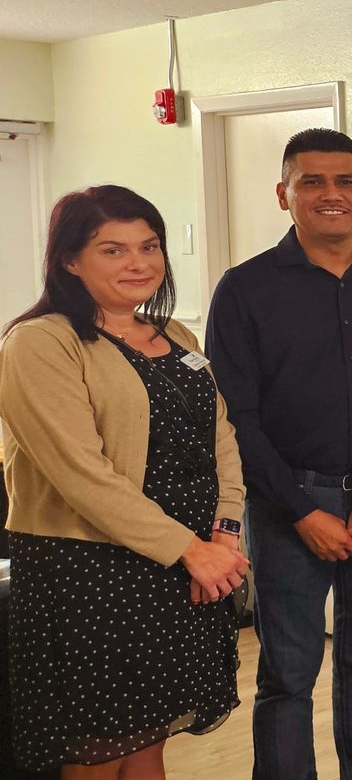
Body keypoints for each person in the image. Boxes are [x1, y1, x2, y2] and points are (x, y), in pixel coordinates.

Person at [0, 185, 250, 778]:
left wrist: (226, 535)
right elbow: (81, 476)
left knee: (148, 737)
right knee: (96, 750)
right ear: (68, 259)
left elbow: (222, 441)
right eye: (112, 250)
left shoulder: (178, 339)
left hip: (183, 566)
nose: (138, 263)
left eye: (149, 246)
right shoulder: (40, 342)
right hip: (89, 573)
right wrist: (193, 551)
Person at [207, 128, 352, 780]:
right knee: (287, 675)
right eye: (312, 181)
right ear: (284, 193)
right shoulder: (244, 290)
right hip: (285, 507)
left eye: (345, 181)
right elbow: (234, 416)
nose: (331, 194)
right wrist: (302, 511)